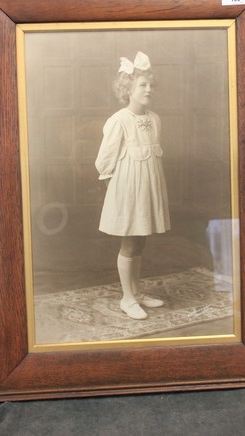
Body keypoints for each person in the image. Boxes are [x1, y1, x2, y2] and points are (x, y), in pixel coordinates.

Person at [95, 51, 171, 320]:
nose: (149, 89)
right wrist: (116, 196)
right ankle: (127, 299)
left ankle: (136, 293)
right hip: (127, 191)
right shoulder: (120, 120)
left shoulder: (155, 119)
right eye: (142, 85)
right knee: (129, 245)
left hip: (147, 189)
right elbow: (105, 160)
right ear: (128, 88)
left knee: (140, 244)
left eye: (151, 85)